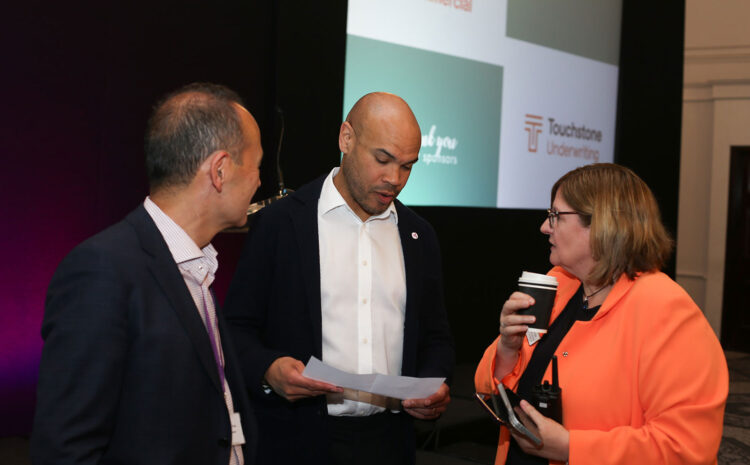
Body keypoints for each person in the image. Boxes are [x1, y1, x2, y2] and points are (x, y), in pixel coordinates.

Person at [32, 83, 263, 465]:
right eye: (256, 164)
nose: (258, 180)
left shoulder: (197, 268)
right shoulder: (102, 271)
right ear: (220, 170)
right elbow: (66, 448)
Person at [223, 92, 455, 465]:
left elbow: (436, 338)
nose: (394, 179)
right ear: (346, 138)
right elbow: (236, 328)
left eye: (407, 167)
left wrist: (433, 385)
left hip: (389, 445)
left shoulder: (419, 236)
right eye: (383, 160)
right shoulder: (281, 223)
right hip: (296, 443)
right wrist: (268, 370)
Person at [475, 163, 728, 465]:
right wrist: (507, 347)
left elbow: (686, 449)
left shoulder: (667, 310)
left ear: (601, 224)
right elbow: (487, 387)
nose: (544, 227)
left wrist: (571, 448)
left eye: (555, 215)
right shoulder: (560, 285)